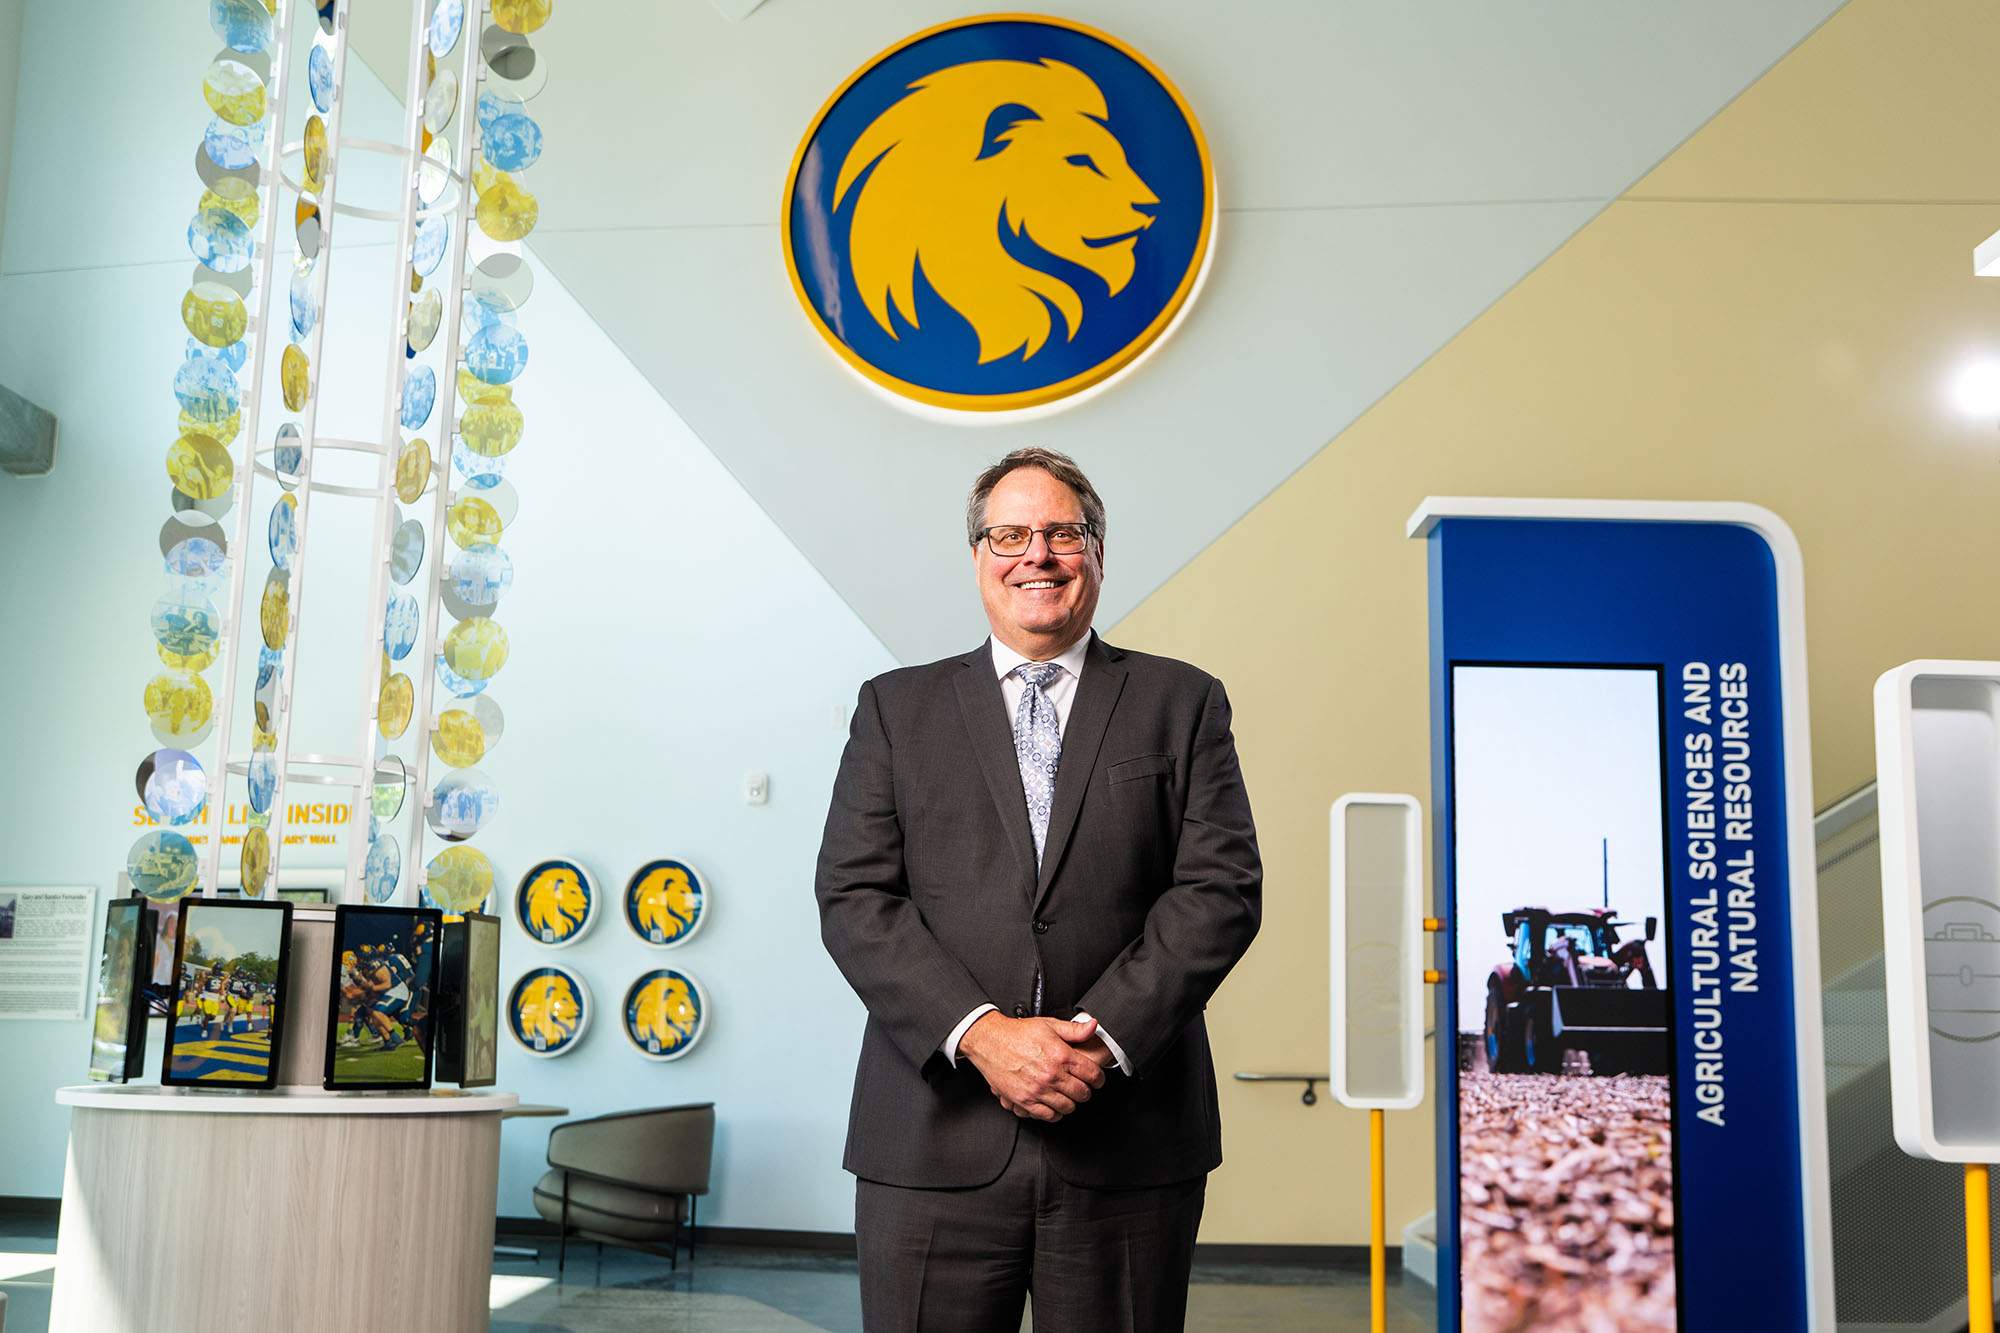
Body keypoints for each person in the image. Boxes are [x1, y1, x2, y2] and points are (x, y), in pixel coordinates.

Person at [815, 447, 1262, 1332]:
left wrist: (1094, 1045)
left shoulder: (1184, 702)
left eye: (1063, 532)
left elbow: (1220, 890)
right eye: (1010, 533)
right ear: (977, 554)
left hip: (1127, 1143)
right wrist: (982, 1035)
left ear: (1099, 550)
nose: (1038, 554)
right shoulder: (895, 710)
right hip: (930, 1139)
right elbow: (856, 896)